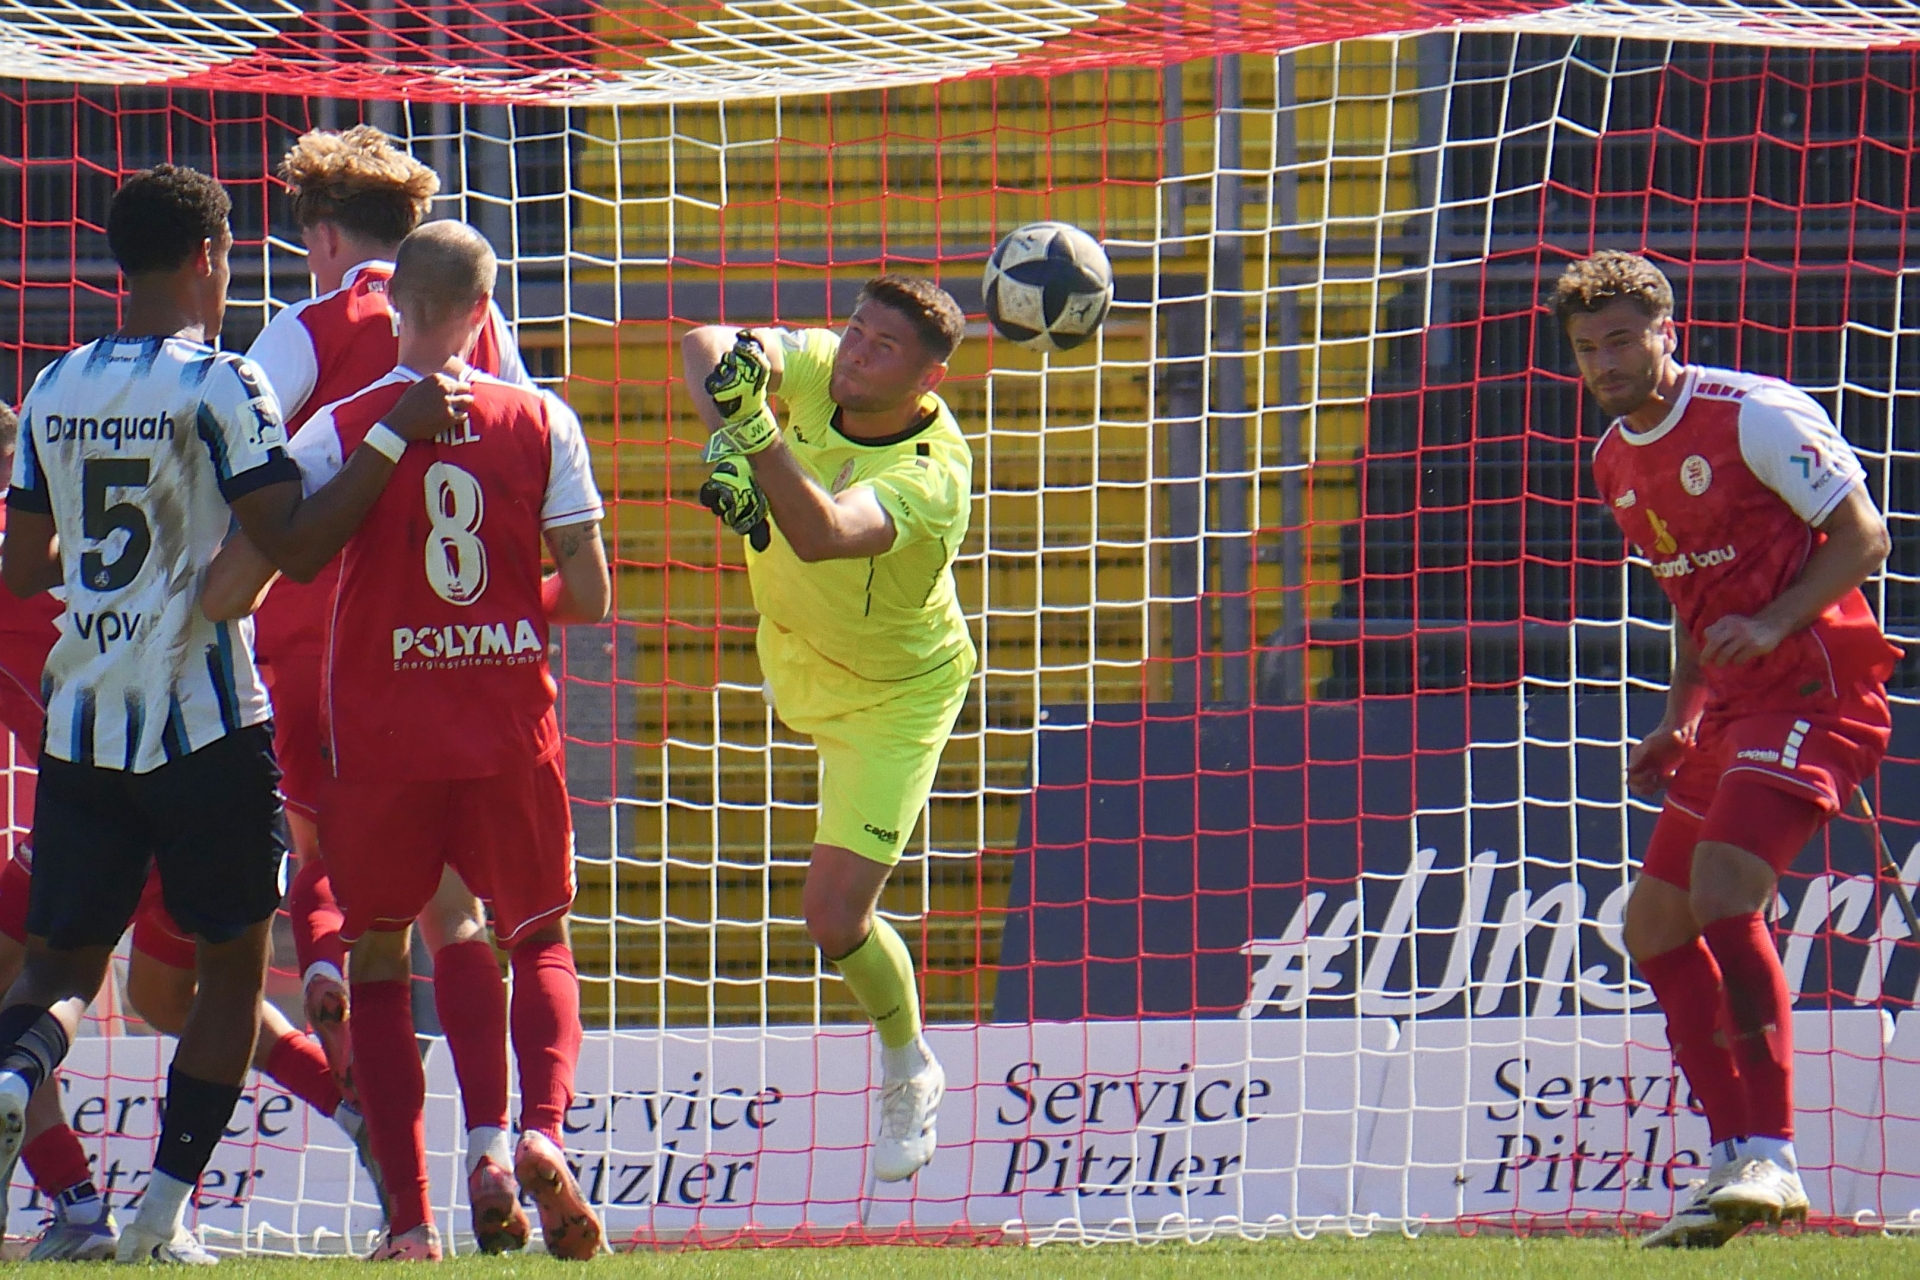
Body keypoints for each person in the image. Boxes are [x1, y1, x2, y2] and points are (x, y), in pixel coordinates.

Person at [0, 164, 462, 1264]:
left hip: (84, 730)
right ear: (211, 257)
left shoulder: (54, 386)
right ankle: (159, 1218)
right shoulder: (223, 383)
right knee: (228, 978)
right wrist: (389, 437)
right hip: (206, 727)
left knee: (58, 974)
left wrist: (110, 547)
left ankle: (16, 1073)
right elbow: (293, 545)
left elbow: (22, 566)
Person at [204, 220, 610, 1261]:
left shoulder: (338, 428)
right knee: (535, 936)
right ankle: (533, 1132)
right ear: (485, 312)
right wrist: (504, 612)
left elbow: (248, 571)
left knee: (381, 951)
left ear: (395, 307)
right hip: (508, 727)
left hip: (381, 740)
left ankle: (411, 1223)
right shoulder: (545, 419)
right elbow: (591, 591)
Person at [1554, 251, 1900, 1247]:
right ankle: (1731, 1161)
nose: (1606, 362)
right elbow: (1693, 595)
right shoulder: (1615, 459)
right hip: (1736, 704)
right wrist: (1681, 713)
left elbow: (1865, 537)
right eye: (1588, 348)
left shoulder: (1755, 415)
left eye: (1623, 339)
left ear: (1667, 331)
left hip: (1820, 687)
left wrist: (1778, 619)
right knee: (1655, 926)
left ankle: (1774, 1155)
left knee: (1722, 895)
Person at [243, 125, 526, 1105]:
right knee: (451, 907)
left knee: (320, 848)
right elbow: (523, 442)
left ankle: (329, 978)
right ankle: (494, 1137)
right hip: (438, 638)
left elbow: (239, 459)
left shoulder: (302, 327)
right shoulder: (479, 325)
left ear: (323, 235)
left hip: (309, 638)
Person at [681, 275, 975, 1183]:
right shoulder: (819, 368)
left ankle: (908, 1063)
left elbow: (822, 533)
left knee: (833, 913)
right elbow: (704, 343)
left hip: (895, 698)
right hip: (797, 648)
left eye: (884, 349)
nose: (855, 353)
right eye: (856, 330)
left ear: (927, 379)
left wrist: (751, 439)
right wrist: (735, 401)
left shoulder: (934, 473)